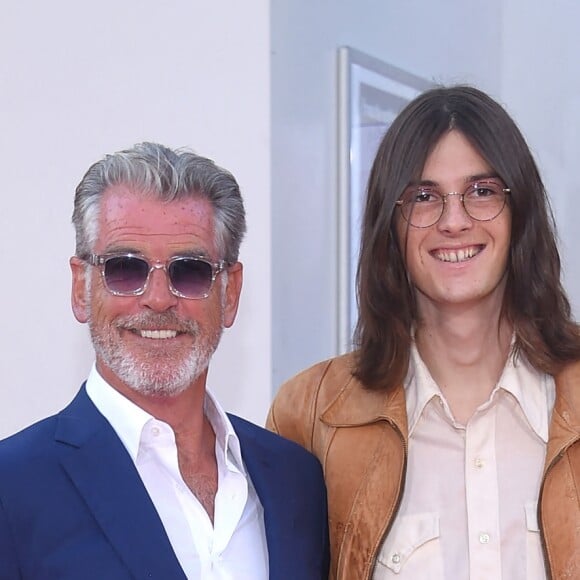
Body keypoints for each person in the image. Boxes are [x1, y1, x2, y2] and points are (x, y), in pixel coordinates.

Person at [267, 85, 580, 579]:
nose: (453, 221)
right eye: (424, 197)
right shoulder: (310, 416)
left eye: (482, 192)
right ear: (390, 224)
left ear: (521, 213)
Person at [0, 142, 329, 579]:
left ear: (230, 293)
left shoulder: (296, 480)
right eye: (124, 269)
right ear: (81, 287)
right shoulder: (13, 487)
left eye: (189, 271)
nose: (158, 299)